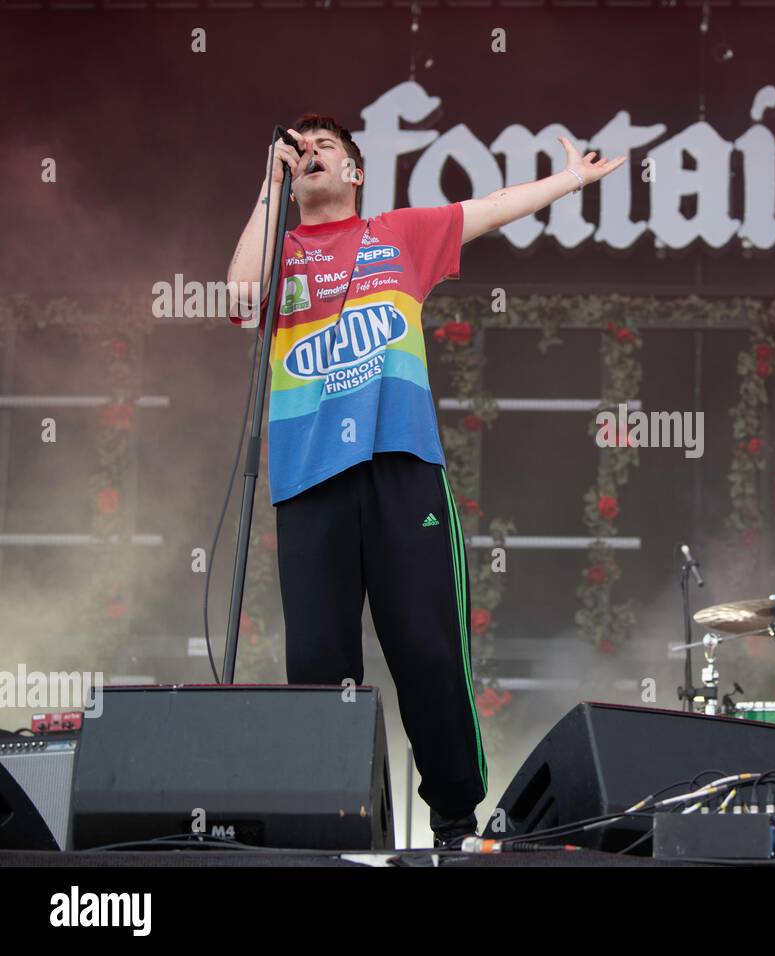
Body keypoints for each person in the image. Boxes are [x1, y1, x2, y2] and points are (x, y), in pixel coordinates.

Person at [225, 113, 625, 847]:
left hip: (401, 469)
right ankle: (332, 823)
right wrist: (267, 184)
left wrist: (570, 180)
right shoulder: (278, 252)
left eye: (328, 149)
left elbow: (489, 209)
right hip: (310, 480)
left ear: (355, 173)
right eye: (301, 148)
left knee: (429, 649)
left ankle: (453, 824)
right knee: (318, 666)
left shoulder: (400, 235)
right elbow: (240, 298)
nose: (310, 154)